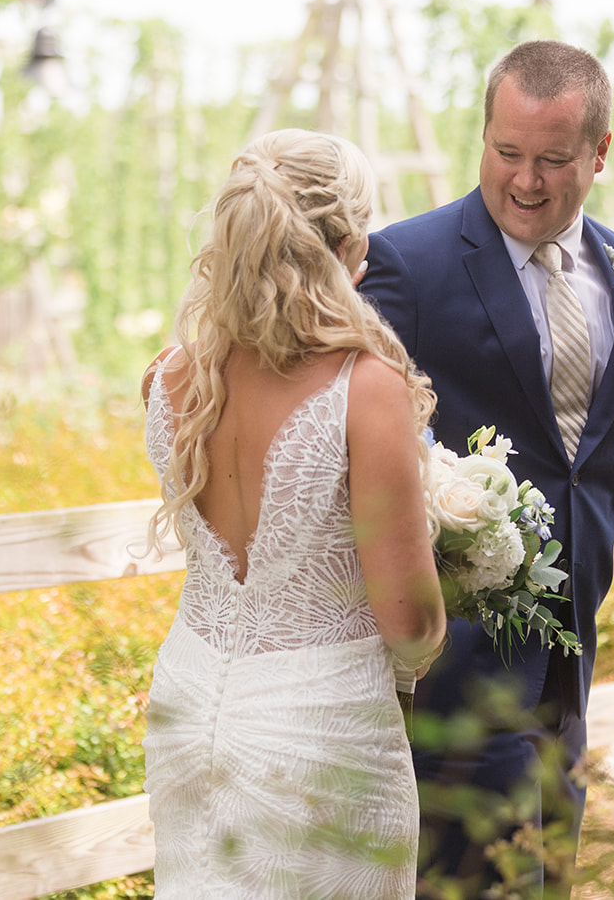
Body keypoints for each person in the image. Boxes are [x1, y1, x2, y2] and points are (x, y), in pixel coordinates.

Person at [360, 39, 614, 894]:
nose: (526, 180)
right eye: (507, 153)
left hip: (570, 660)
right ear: (484, 136)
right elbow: (328, 406)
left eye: (553, 160)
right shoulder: (408, 261)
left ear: (600, 153)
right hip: (453, 671)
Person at [140, 128, 447, 899]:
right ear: (347, 246)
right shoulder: (364, 386)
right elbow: (409, 619)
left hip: (188, 704)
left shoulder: (173, 377)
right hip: (322, 734)